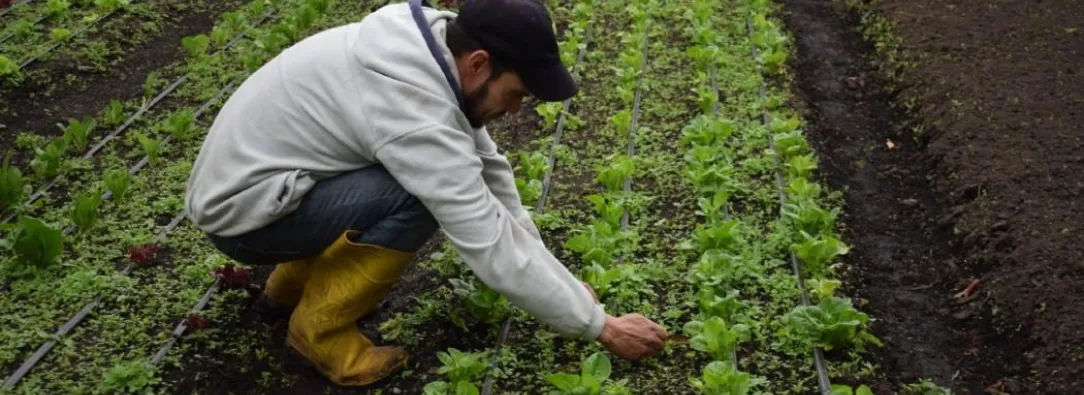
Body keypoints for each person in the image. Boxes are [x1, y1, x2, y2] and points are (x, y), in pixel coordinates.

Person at [182, 0, 668, 387]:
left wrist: (559, 278)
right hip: (244, 216)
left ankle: (288, 291)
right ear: (479, 63)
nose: (517, 109)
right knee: (413, 195)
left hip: (262, 186)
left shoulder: (426, 50)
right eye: (517, 93)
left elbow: (488, 165)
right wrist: (600, 326)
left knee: (415, 179)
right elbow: (486, 238)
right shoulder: (410, 108)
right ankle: (319, 334)